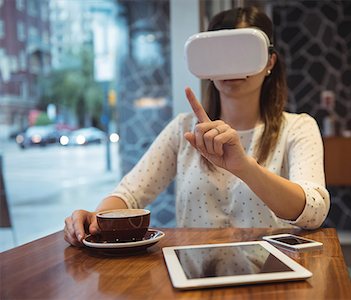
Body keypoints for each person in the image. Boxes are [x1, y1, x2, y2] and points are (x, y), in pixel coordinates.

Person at [64, 6, 330, 247]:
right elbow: (129, 194)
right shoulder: (184, 129)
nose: (230, 67)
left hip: (274, 276)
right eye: (220, 54)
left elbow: (314, 211)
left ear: (269, 62)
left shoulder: (297, 128)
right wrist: (98, 219)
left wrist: (245, 167)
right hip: (195, 275)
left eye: (243, 52)